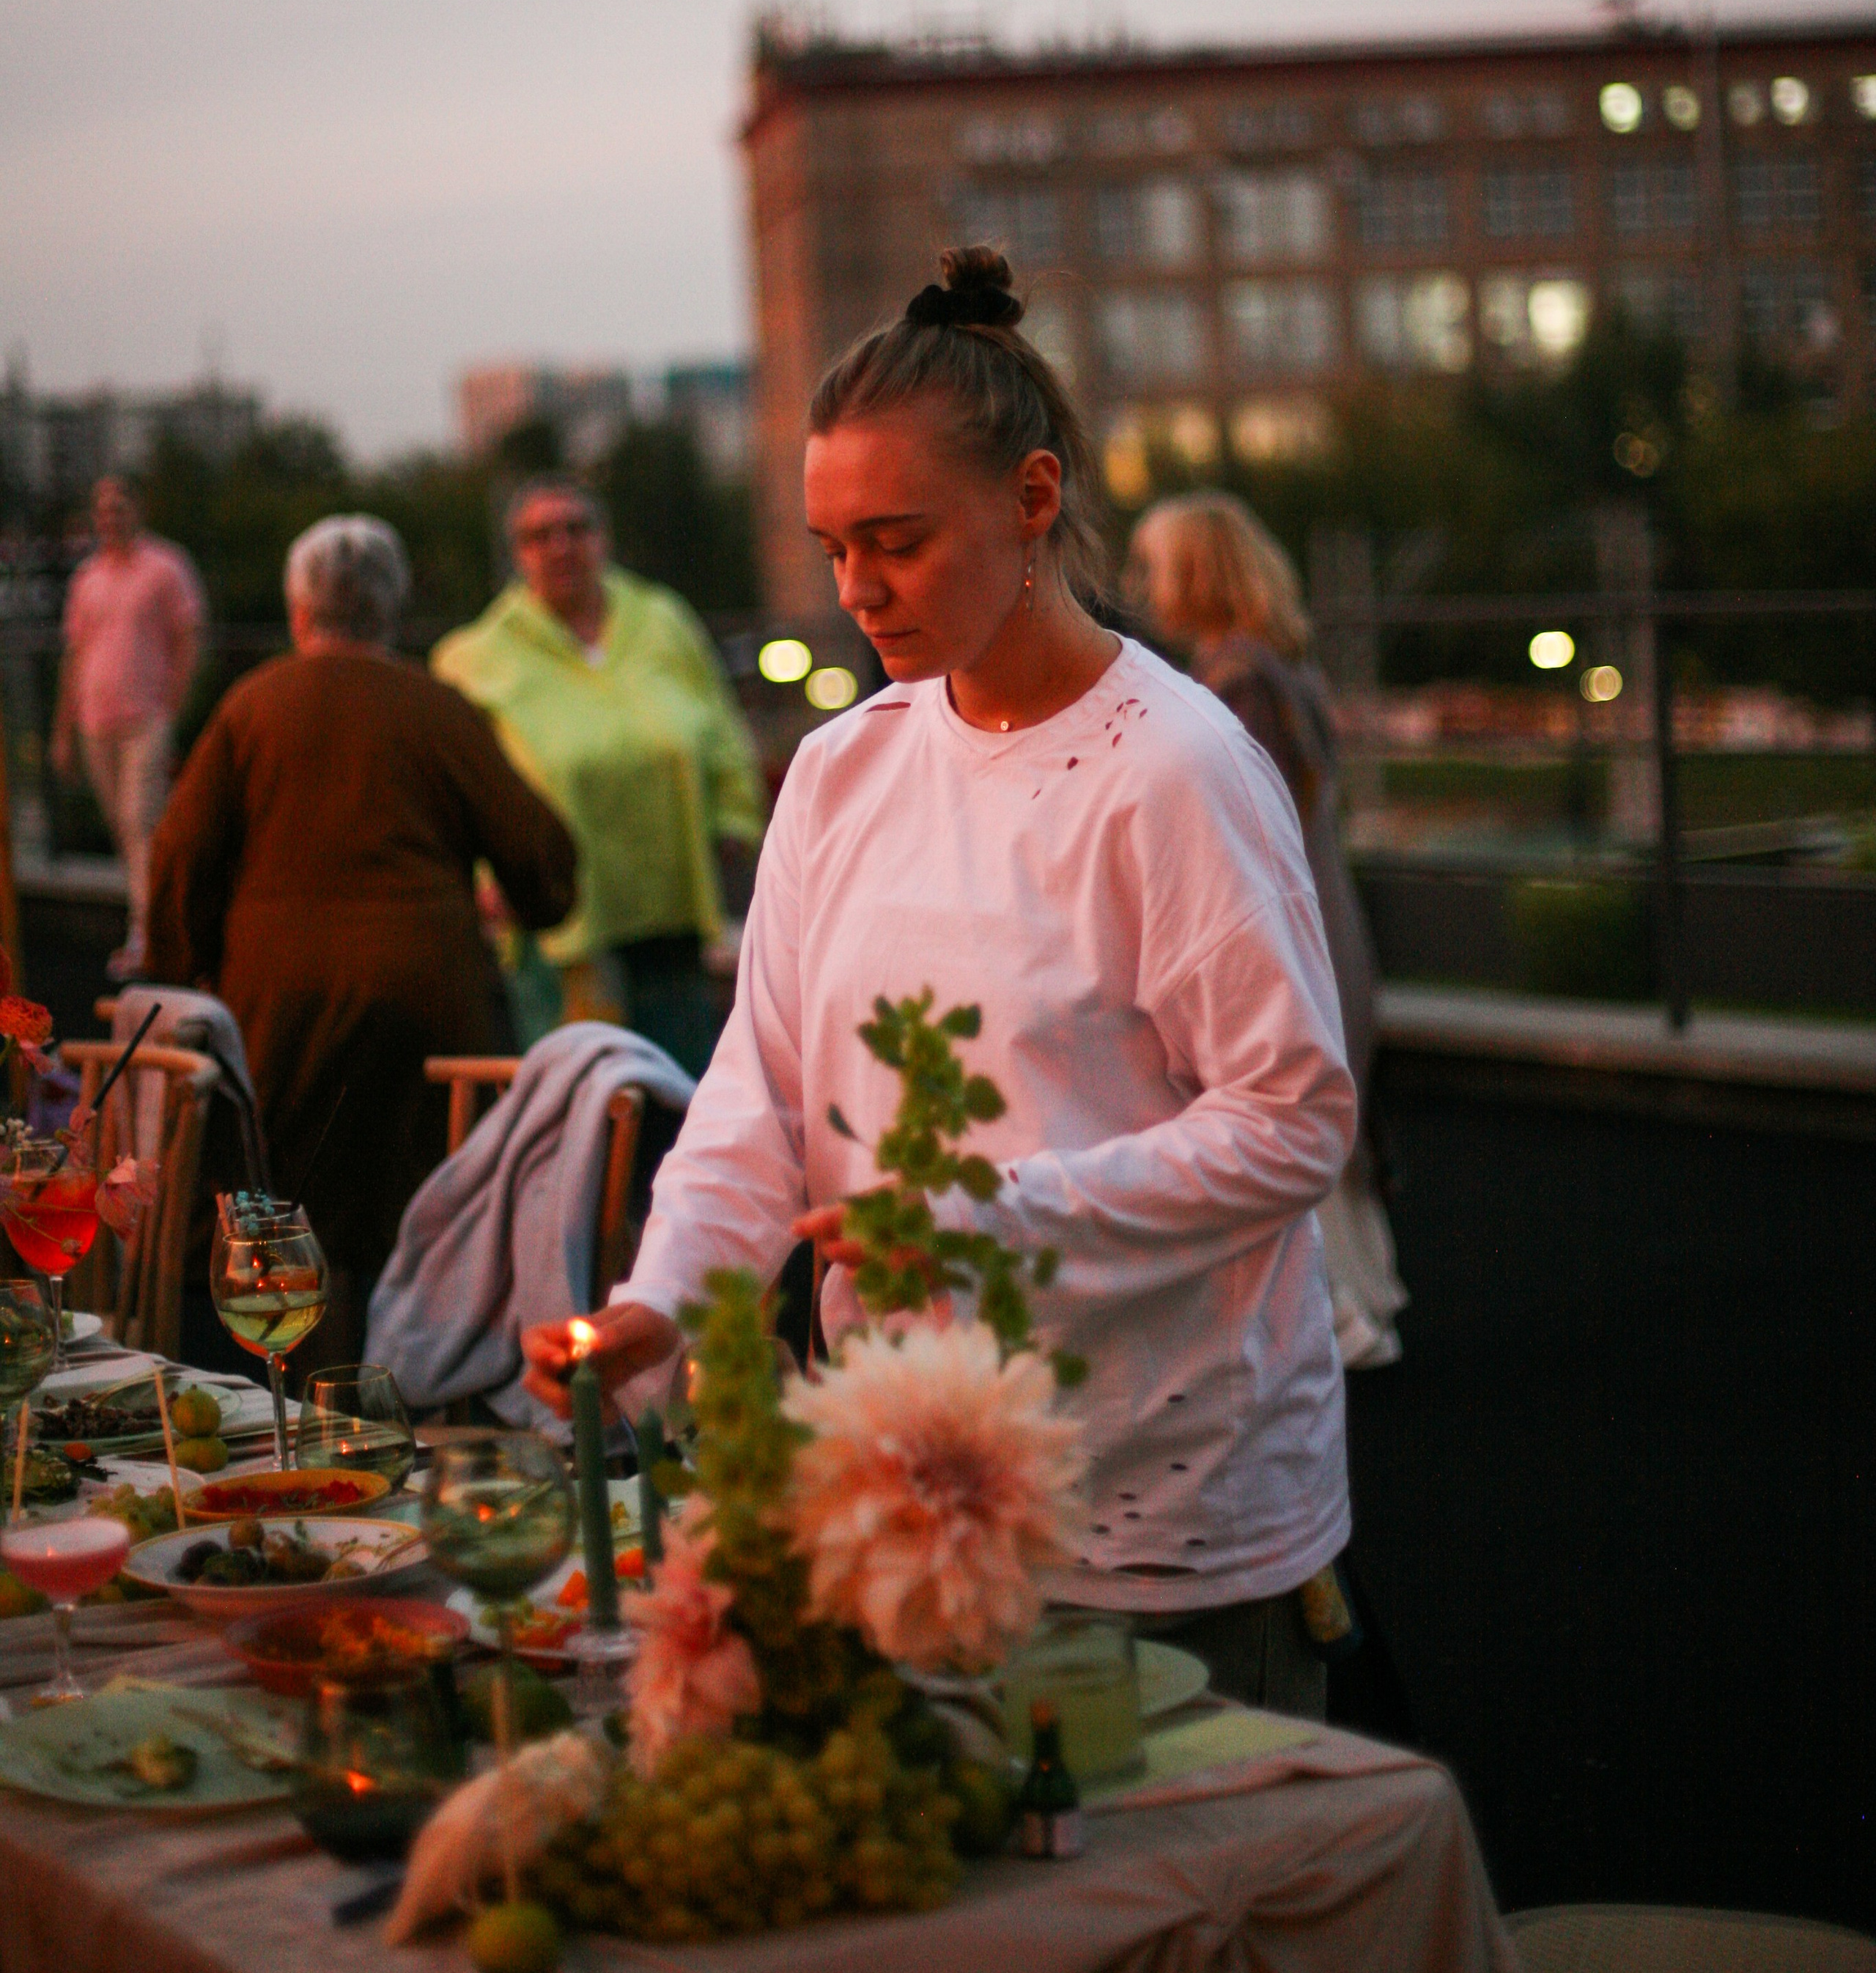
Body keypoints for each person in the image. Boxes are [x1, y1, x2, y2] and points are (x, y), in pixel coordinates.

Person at [525, 248, 1359, 1718]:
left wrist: (981, 1219)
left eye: (896, 542)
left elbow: (1292, 1122)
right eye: (831, 547)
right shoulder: (842, 771)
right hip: (900, 1495)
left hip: (1153, 1520)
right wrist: (665, 1300)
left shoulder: (1173, 769)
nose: (857, 591)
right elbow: (761, 1098)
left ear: (1032, 499)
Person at [144, 515, 577, 1361]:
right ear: (392, 607)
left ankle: (292, 1394)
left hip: (278, 1013)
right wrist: (536, 908)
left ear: (299, 610)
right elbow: (541, 855)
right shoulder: (439, 708)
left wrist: (176, 968)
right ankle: (422, 1389)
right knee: (429, 1210)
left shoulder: (251, 706)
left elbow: (179, 857)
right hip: (431, 1006)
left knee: (280, 1216)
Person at [1128, 493, 1407, 1370]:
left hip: (1284, 929)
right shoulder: (1278, 667)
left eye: (1154, 567)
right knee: (1318, 1111)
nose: (1141, 587)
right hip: (1325, 914)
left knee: (1274, 1106)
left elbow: (1238, 828)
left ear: (1196, 574)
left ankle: (1338, 1318)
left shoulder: (1235, 682)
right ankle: (1359, 1302)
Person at [433, 478, 767, 1077]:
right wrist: (483, 871)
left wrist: (736, 816)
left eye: (577, 528)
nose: (561, 547)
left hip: (668, 897)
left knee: (679, 1075)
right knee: (579, 1085)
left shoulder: (662, 619)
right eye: (540, 536)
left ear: (604, 538)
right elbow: (462, 786)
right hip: (557, 913)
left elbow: (721, 726)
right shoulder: (476, 656)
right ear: (517, 554)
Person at [51, 477, 204, 978]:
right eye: (103, 510)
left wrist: (172, 706)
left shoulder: (166, 567)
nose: (110, 518)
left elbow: (188, 635)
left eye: (119, 507)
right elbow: (75, 653)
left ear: (138, 509)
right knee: (123, 827)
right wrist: (63, 729)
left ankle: (149, 935)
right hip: (97, 720)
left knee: (141, 821)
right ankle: (150, 923)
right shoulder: (88, 577)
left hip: (146, 718)